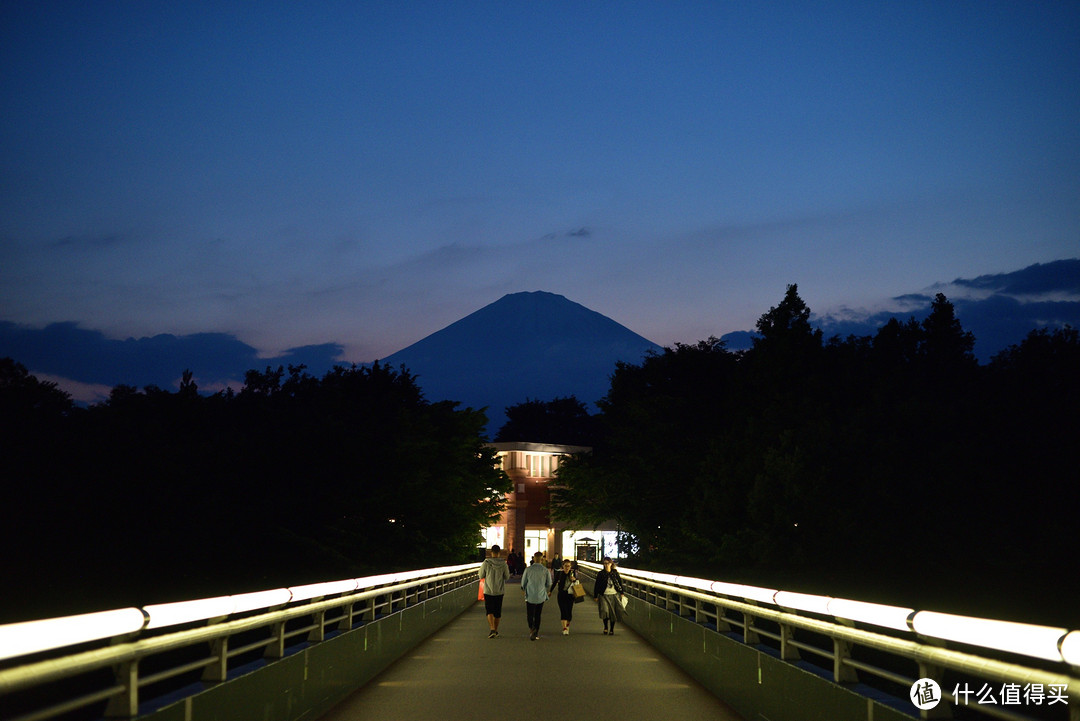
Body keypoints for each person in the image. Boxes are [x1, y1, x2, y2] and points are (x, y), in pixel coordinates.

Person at [479, 545, 510, 638]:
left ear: (491, 552)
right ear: (499, 552)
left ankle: (492, 629)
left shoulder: (486, 562)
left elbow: (481, 575)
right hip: (499, 590)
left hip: (488, 590)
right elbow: (507, 577)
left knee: (489, 611)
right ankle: (495, 630)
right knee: (497, 612)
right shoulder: (503, 564)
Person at [521, 551, 551, 640]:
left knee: (530, 614)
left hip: (530, 594)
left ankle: (531, 628)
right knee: (538, 614)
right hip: (541, 595)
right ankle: (536, 632)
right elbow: (549, 583)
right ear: (542, 559)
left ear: (533, 558)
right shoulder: (545, 570)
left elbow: (523, 583)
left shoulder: (528, 569)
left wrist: (524, 589)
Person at [594, 556, 625, 635]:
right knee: (605, 611)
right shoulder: (601, 574)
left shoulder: (615, 573)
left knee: (612, 613)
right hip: (604, 595)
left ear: (611, 564)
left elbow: (619, 583)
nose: (606, 565)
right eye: (605, 563)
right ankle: (605, 627)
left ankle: (611, 629)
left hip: (613, 594)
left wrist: (622, 592)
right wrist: (595, 595)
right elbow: (597, 585)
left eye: (608, 563)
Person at [551, 558, 578, 635]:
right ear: (563, 566)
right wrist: (550, 591)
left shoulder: (573, 573)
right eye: (566, 566)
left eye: (569, 566)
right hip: (561, 595)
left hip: (570, 595)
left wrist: (574, 580)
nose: (567, 568)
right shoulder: (559, 574)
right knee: (563, 611)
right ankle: (564, 628)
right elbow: (554, 582)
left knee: (569, 613)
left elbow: (577, 582)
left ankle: (567, 624)